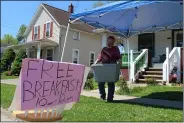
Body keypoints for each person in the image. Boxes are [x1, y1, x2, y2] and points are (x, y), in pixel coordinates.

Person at [94, 36, 121, 102]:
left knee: (111, 83)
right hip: (104, 67)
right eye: (108, 41)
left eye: (111, 41)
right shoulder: (104, 49)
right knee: (101, 82)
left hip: (112, 68)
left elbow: (119, 58)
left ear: (113, 42)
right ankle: (102, 96)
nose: (109, 42)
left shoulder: (115, 49)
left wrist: (119, 65)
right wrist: (95, 62)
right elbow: (100, 57)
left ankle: (110, 98)